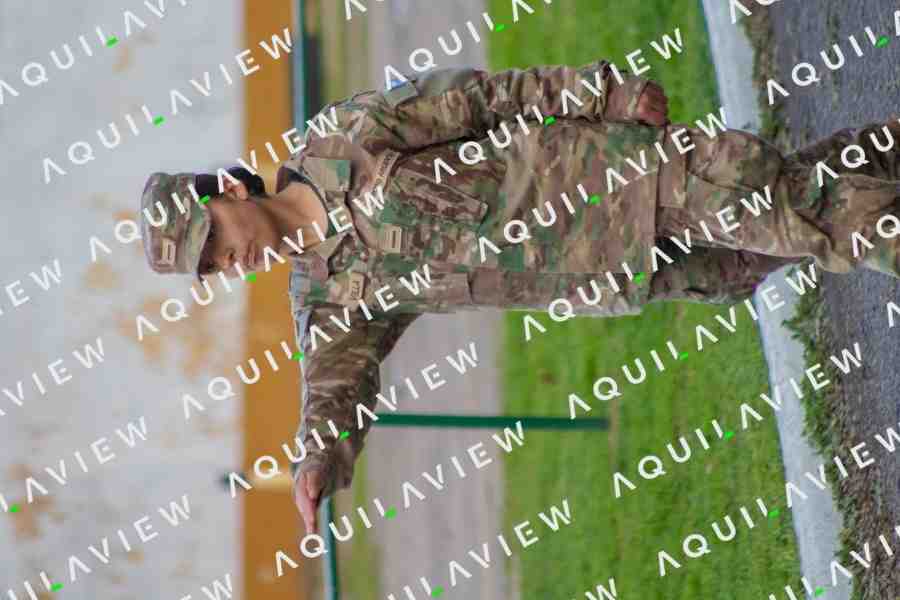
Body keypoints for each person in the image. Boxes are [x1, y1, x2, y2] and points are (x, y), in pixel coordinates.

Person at [139, 58, 900, 536]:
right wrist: (316, 464)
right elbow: (336, 388)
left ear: (230, 190)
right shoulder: (326, 294)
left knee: (807, 217)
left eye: (217, 241)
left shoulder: (346, 139)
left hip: (622, 177)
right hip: (617, 271)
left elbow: (482, 100)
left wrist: (603, 92)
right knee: (771, 237)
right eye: (214, 269)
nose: (231, 263)